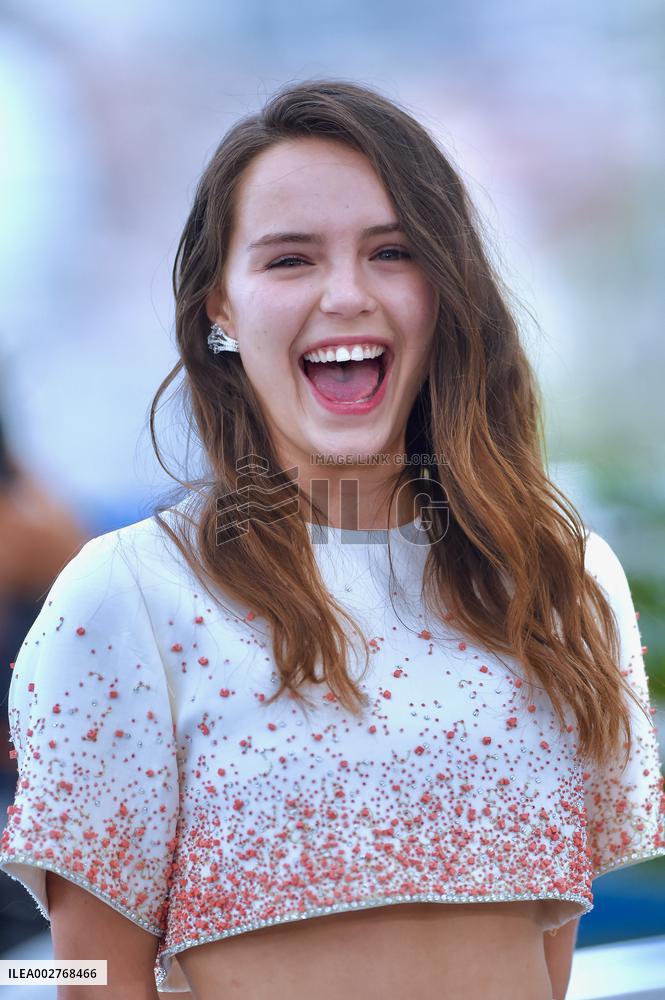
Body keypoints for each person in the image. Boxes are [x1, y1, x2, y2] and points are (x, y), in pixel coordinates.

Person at [0, 79, 663, 1000]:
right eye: (289, 261)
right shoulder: (128, 596)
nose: (346, 294)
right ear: (217, 312)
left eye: (392, 252)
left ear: (445, 290)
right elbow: (89, 974)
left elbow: (544, 953)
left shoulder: (564, 580)